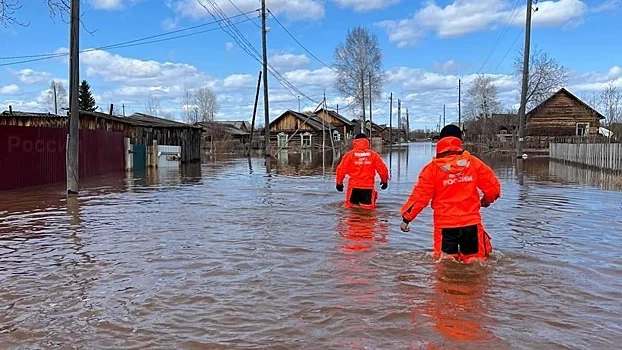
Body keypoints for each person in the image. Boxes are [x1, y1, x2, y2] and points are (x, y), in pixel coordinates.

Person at [399, 125, 501, 262]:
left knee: (444, 264)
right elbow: (493, 188)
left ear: (440, 141)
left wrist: (406, 219)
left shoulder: (432, 169)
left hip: (445, 226)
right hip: (471, 224)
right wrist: (487, 200)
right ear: (460, 140)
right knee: (475, 263)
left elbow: (419, 197)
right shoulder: (473, 163)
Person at [335, 133, 389, 210]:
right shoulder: (373, 155)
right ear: (367, 141)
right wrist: (384, 181)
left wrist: (339, 183)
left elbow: (341, 170)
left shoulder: (350, 155)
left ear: (355, 142)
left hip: (354, 187)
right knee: (368, 212)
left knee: (350, 210)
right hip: (368, 188)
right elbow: (382, 169)